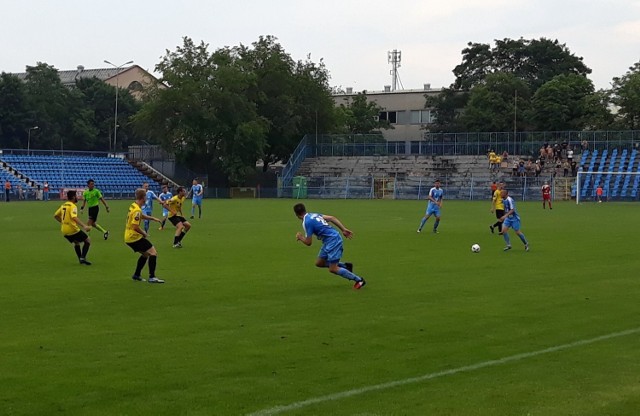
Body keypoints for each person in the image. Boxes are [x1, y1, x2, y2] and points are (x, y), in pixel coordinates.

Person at [293, 203, 366, 290]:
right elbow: (332, 218)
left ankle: (359, 280)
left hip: (333, 241)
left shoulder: (306, 222)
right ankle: (345, 266)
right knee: (319, 263)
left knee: (333, 269)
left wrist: (300, 237)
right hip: (328, 241)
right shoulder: (313, 214)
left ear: (296, 214)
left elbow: (309, 242)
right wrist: (343, 229)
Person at [125, 188, 165, 283]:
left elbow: (140, 216)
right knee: (153, 253)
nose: (146, 198)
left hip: (128, 237)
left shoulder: (133, 205)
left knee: (145, 254)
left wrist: (152, 218)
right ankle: (152, 277)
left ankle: (136, 275)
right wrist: (144, 233)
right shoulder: (137, 210)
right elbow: (135, 226)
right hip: (134, 237)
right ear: (143, 197)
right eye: (146, 196)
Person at [53, 190, 93, 265]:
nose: (77, 197)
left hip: (64, 230)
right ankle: (82, 257)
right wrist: (84, 226)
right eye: (76, 196)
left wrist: (63, 222)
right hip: (72, 229)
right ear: (74, 197)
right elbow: (74, 217)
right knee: (87, 240)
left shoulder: (63, 205)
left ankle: (80, 259)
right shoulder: (73, 206)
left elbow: (55, 216)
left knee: (76, 242)